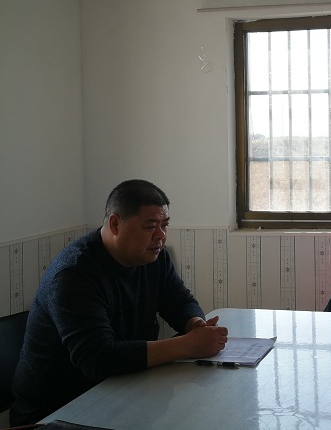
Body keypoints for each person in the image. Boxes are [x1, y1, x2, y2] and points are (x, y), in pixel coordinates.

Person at [11, 180, 228, 425]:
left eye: (164, 225)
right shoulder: (74, 274)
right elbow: (98, 359)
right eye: (150, 226)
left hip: (121, 391)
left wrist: (196, 325)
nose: (161, 235)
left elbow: (179, 301)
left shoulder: (154, 257)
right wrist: (186, 346)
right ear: (115, 224)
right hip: (56, 414)